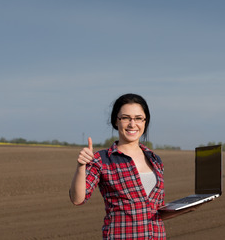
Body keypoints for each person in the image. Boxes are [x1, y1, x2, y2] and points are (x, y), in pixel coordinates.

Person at [70, 93, 196, 239]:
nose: (132, 124)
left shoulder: (155, 160)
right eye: (125, 118)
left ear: (145, 122)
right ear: (116, 121)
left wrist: (190, 206)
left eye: (138, 118)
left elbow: (155, 212)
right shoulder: (102, 159)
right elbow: (78, 199)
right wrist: (80, 166)